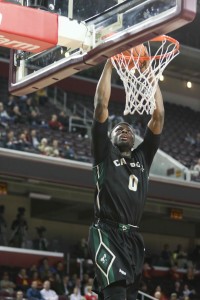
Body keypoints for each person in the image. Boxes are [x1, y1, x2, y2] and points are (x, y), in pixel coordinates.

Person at [87, 58, 164, 300]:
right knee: (117, 293)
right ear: (110, 137)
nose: (124, 130)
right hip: (106, 231)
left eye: (128, 129)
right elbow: (101, 106)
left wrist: (149, 74)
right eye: (118, 128)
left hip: (132, 237)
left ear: (134, 139)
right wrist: (110, 64)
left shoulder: (143, 158)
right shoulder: (104, 153)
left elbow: (159, 114)